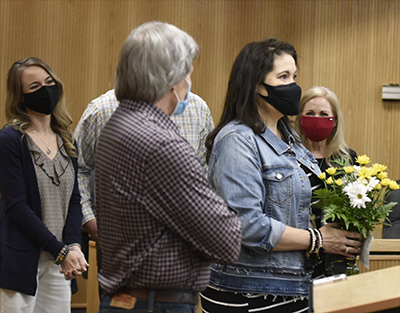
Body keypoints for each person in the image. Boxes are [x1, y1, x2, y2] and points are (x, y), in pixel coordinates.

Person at [200, 39, 363, 312]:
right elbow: (247, 226)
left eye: (295, 76)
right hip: (248, 290)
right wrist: (319, 239)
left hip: (291, 286)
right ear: (255, 85)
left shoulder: (290, 138)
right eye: (283, 77)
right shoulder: (237, 140)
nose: (294, 86)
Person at [95, 21, 242, 313]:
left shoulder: (118, 124)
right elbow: (226, 241)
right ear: (171, 78)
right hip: (155, 303)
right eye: (188, 69)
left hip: (125, 299)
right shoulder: (161, 144)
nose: (190, 78)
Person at [0, 57, 88, 313]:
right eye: (35, 86)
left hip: (58, 264)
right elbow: (17, 207)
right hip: (21, 262)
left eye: (49, 82)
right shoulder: (10, 140)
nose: (46, 90)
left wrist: (72, 245)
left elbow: (74, 200)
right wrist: (61, 251)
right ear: (21, 98)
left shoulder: (66, 139)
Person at [74, 89, 214, 244]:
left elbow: (205, 174)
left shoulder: (198, 109)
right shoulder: (102, 110)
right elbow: (76, 169)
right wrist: (89, 221)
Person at [294, 86, 358, 277]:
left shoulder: (348, 159)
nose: (316, 119)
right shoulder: (289, 157)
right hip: (299, 258)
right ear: (300, 118)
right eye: (310, 113)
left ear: (335, 120)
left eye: (324, 114)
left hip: (338, 260)